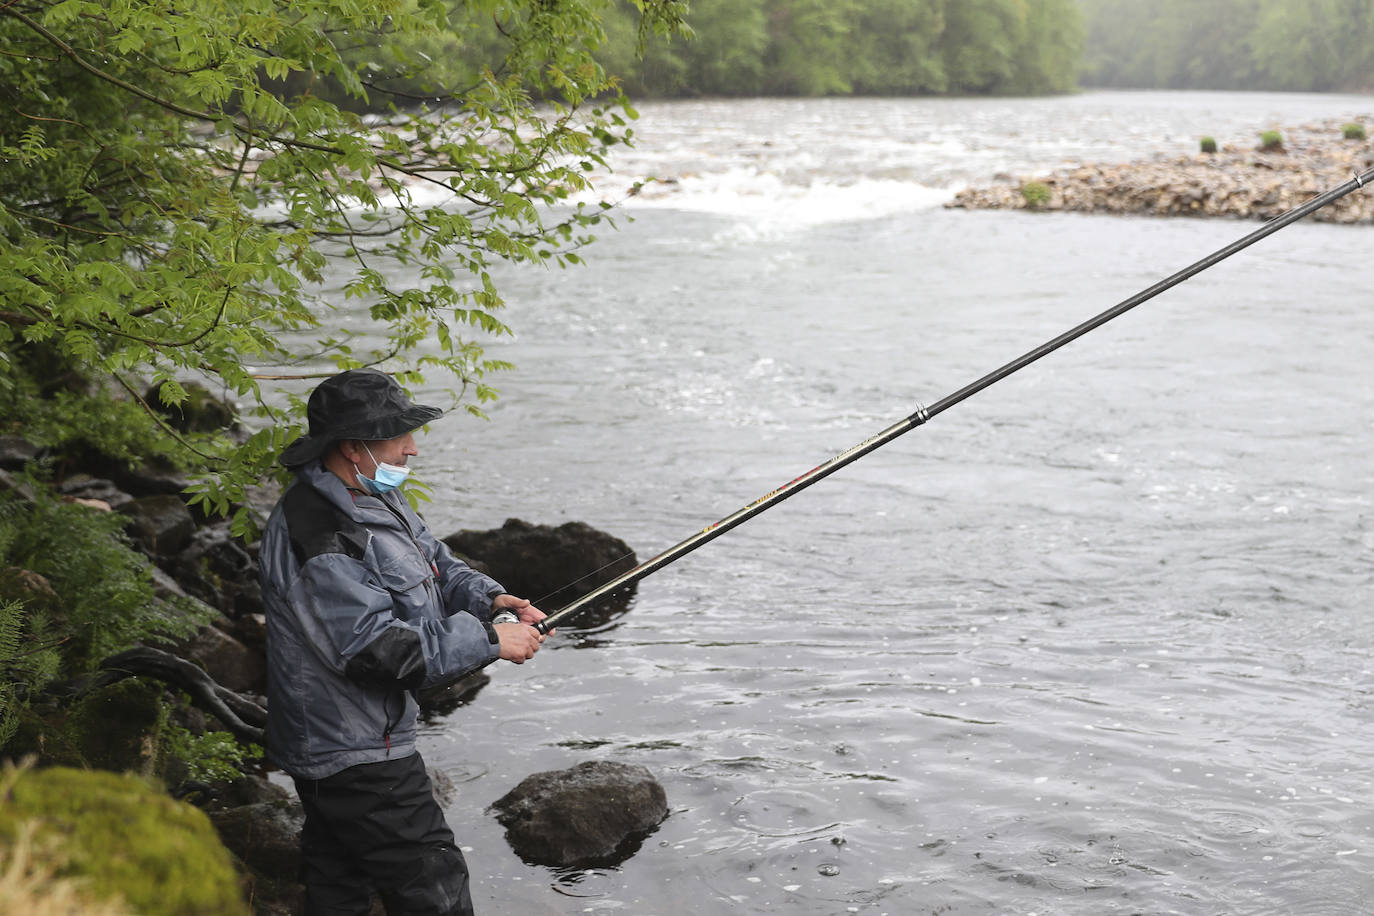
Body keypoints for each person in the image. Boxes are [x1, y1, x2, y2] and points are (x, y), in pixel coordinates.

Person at [258, 368, 548, 916]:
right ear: (352, 446)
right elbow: (376, 651)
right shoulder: (317, 532)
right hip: (352, 752)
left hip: (346, 743)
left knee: (338, 885)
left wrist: (493, 602)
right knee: (433, 883)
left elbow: (434, 561)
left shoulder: (369, 498)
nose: (413, 448)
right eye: (400, 436)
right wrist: (490, 641)